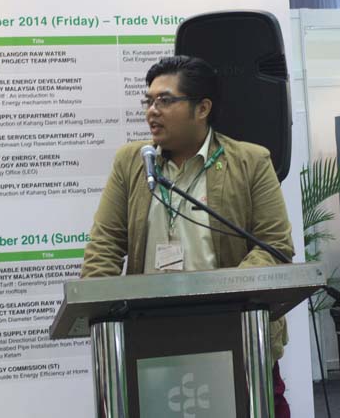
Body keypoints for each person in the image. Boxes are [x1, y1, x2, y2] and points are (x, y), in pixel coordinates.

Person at [81, 55, 294, 417]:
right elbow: (104, 246)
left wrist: (224, 304)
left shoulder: (251, 161)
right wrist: (103, 312)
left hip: (234, 335)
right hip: (147, 339)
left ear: (202, 108)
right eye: (148, 101)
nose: (152, 111)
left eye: (165, 100)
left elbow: (273, 246)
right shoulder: (132, 163)